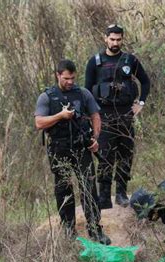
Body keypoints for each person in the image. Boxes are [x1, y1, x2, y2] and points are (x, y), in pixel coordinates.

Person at [35, 59, 111, 245]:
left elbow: (95, 115)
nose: (70, 82)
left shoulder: (83, 93)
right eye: (66, 78)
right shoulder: (47, 97)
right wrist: (60, 116)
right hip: (59, 150)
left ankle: (95, 229)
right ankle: (68, 227)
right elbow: (39, 123)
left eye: (73, 78)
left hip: (81, 148)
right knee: (64, 189)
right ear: (58, 75)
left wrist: (95, 138)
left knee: (89, 188)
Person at [85, 24, 151, 209]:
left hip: (125, 115)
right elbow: (87, 91)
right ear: (105, 38)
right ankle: (104, 197)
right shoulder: (95, 62)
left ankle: (121, 194)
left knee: (125, 155)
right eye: (112, 39)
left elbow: (145, 82)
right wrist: (91, 117)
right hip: (104, 116)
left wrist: (141, 103)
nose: (115, 43)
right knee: (105, 157)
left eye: (118, 39)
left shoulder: (130, 60)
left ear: (122, 39)